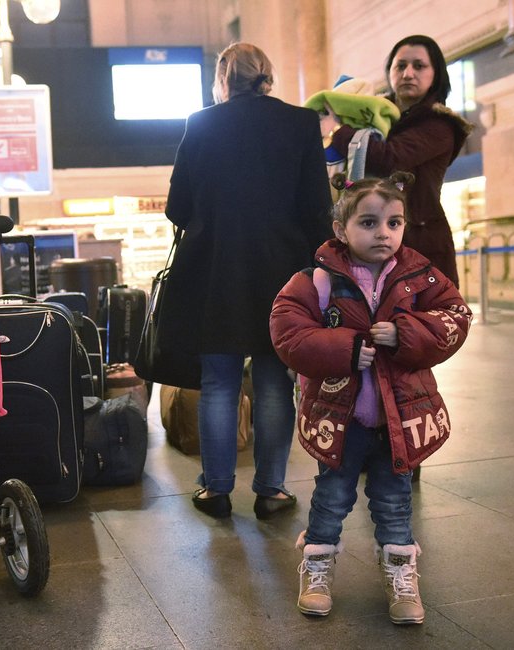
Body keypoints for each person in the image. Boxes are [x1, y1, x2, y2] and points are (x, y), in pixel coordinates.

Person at [270, 172, 472, 624]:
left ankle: (402, 579)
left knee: (394, 501)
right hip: (340, 418)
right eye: (369, 222)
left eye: (395, 223)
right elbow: (287, 329)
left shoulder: (420, 277)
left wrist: (406, 333)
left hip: (400, 417)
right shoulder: (317, 280)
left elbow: (455, 317)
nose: (384, 233)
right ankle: (317, 568)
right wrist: (345, 348)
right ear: (341, 229)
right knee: (332, 496)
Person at [163, 42, 332, 519]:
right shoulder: (301, 123)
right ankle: (271, 490)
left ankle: (215, 489)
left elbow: (178, 207)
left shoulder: (201, 124)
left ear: (223, 79)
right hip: (283, 272)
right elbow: (317, 206)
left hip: (215, 271)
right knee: (275, 380)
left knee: (219, 382)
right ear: (268, 74)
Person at [318, 35, 472, 287]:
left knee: (418, 321)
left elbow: (390, 159)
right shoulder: (376, 117)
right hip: (371, 239)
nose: (408, 73)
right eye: (400, 66)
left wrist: (337, 131)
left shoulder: (439, 124)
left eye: (419, 66)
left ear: (436, 74)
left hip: (419, 243)